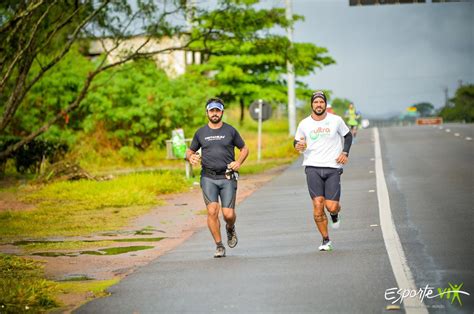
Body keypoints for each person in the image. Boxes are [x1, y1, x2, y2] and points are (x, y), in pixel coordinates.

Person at [186, 98, 249, 258]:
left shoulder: (230, 131)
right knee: (212, 211)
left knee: (228, 214)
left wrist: (238, 162)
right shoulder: (200, 132)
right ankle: (219, 245)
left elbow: (244, 148)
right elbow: (190, 150)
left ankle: (230, 227)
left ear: (222, 112)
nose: (214, 113)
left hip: (227, 177)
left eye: (217, 110)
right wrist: (190, 157)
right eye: (211, 110)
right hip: (208, 177)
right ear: (207, 112)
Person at [294, 91, 352, 251]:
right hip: (312, 167)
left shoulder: (336, 120)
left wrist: (345, 152)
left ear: (325, 104)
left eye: (321, 102)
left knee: (331, 206)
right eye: (316, 102)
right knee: (318, 205)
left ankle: (334, 214)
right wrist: (298, 145)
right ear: (311, 105)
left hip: (333, 167)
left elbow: (348, 136)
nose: (318, 105)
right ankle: (326, 240)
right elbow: (297, 141)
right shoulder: (304, 123)